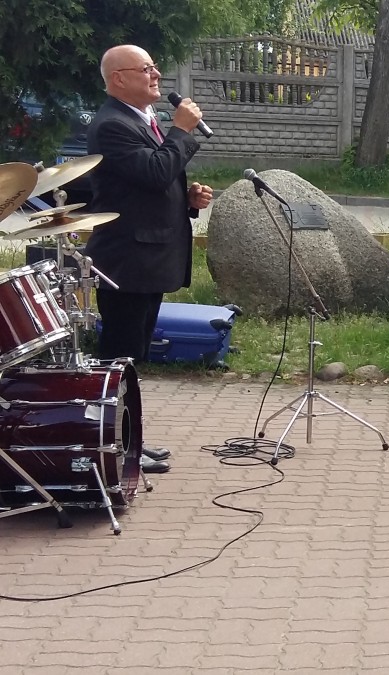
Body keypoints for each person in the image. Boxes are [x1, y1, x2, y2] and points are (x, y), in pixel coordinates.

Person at [87, 44, 214, 474]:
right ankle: (113, 448)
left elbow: (152, 184)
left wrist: (188, 199)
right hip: (126, 261)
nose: (156, 74)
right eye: (147, 69)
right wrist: (182, 131)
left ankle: (129, 441)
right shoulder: (111, 124)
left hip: (149, 258)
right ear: (119, 78)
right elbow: (155, 172)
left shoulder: (143, 118)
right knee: (118, 359)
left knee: (132, 357)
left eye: (155, 67)